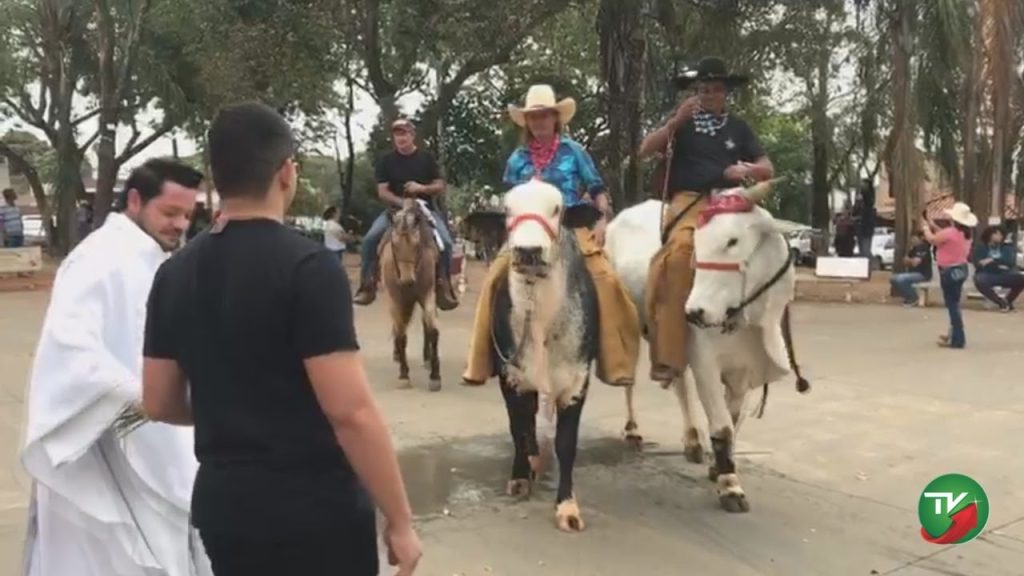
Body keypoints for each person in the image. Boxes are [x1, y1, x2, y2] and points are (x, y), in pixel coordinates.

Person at [140, 102, 421, 576]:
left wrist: (227, 404)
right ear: (286, 173)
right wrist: (400, 520)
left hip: (224, 507)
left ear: (215, 177)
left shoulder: (173, 274)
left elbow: (158, 401)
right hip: (314, 510)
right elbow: (349, 412)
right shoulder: (309, 268)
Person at [20, 159, 209, 576]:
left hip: (160, 439)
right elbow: (70, 349)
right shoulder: (98, 259)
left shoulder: (155, 259)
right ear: (136, 200)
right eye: (170, 213)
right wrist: (137, 396)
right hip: (101, 442)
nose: (179, 225)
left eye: (187, 216)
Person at [462, 84, 641, 388]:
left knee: (606, 279)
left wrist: (601, 220)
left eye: (545, 116)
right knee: (494, 280)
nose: (540, 122)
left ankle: (615, 363)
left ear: (556, 118)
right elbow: (511, 199)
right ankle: (479, 363)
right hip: (525, 232)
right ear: (527, 122)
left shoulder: (575, 152)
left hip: (570, 225)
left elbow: (597, 189)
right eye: (534, 117)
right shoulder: (517, 158)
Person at [637, 57, 774, 382]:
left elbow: (767, 165)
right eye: (702, 89)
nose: (708, 95)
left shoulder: (739, 127)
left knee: (771, 244)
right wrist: (674, 122)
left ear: (725, 92)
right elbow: (644, 150)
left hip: (731, 199)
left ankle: (769, 339)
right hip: (690, 201)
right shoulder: (682, 123)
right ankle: (670, 356)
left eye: (715, 89)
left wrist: (751, 170)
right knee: (682, 252)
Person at [353, 118, 458, 310]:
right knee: (369, 240)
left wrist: (422, 188)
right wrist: (402, 202)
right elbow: (382, 191)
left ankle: (444, 285)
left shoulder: (426, 158)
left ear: (412, 135)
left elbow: (439, 185)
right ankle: (367, 285)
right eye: (397, 134)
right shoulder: (386, 161)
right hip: (395, 211)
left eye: (404, 133)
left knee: (447, 242)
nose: (400, 138)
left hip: (425, 210)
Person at [921, 202, 977, 349]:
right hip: (961, 269)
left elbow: (933, 239)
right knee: (955, 303)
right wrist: (932, 225)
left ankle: (958, 339)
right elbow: (943, 235)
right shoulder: (966, 234)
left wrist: (926, 228)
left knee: (952, 305)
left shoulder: (950, 233)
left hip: (949, 270)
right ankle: (954, 333)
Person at [972, 225, 1023, 311]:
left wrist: (992, 260)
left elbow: (1010, 262)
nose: (1000, 236)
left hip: (1004, 274)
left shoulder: (1006, 248)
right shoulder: (981, 248)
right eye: (997, 234)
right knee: (979, 279)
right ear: (990, 235)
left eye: (1001, 234)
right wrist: (999, 263)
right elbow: (978, 263)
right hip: (987, 274)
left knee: (1021, 278)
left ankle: (1008, 300)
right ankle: (1000, 302)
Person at [890, 230, 933, 306]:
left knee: (900, 279)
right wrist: (910, 261)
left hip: (923, 275)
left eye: (914, 238)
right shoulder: (913, 249)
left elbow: (915, 263)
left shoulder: (924, 248)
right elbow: (904, 261)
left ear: (920, 238)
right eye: (911, 238)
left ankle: (913, 298)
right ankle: (908, 296)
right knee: (893, 279)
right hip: (913, 274)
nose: (912, 240)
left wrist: (909, 261)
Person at [853, 179, 876, 260]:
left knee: (865, 250)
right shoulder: (860, 200)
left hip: (866, 229)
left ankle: (868, 266)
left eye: (864, 184)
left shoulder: (869, 200)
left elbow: (869, 201)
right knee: (862, 250)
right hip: (860, 229)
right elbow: (854, 212)